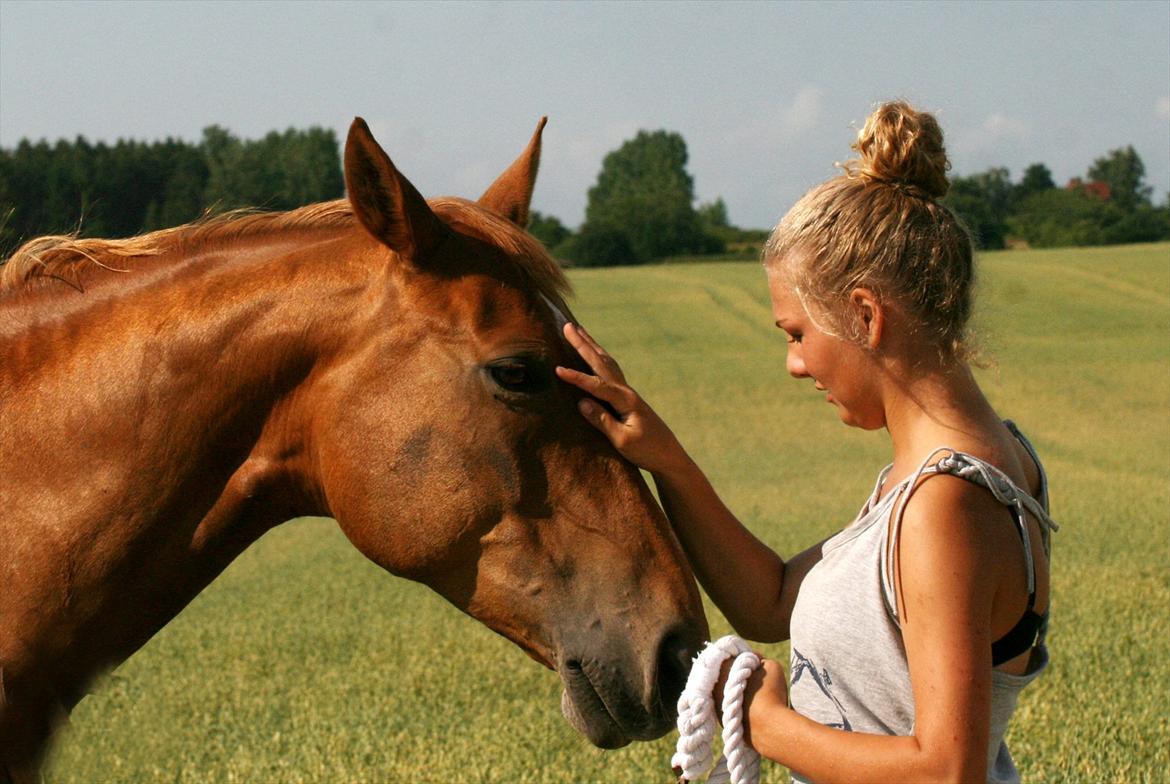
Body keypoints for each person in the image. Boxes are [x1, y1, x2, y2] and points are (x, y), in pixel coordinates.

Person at [555, 100, 1056, 784]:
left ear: (864, 315)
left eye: (796, 333)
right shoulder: (959, 474)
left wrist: (768, 724)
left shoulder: (947, 504)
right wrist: (667, 461)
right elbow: (772, 600)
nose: (794, 363)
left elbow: (946, 770)